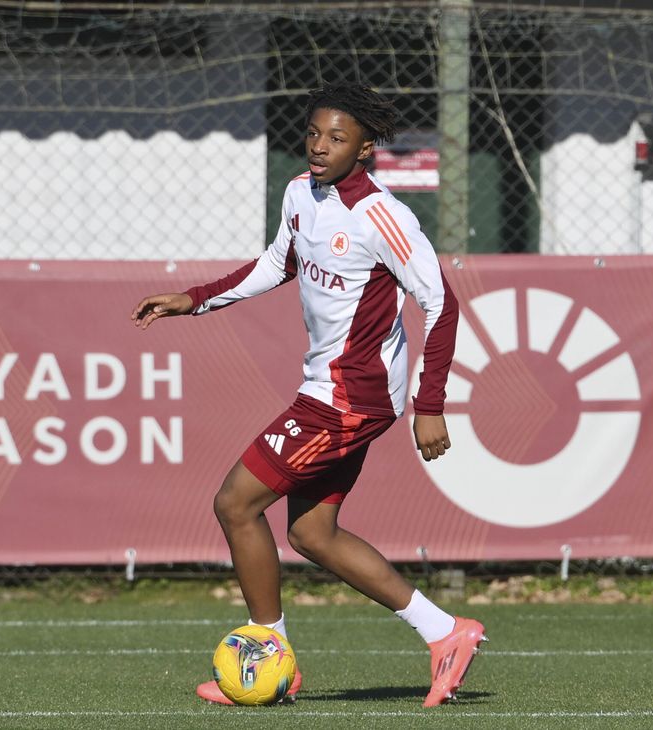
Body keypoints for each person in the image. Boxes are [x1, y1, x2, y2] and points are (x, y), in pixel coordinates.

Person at [131, 84, 486, 708]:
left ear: (366, 149)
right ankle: (446, 632)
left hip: (350, 396)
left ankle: (272, 657)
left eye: (337, 138)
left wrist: (430, 404)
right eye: (315, 133)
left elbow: (439, 302)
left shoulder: (384, 216)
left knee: (236, 503)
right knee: (314, 534)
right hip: (327, 386)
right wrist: (195, 298)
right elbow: (277, 263)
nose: (320, 147)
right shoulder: (301, 191)